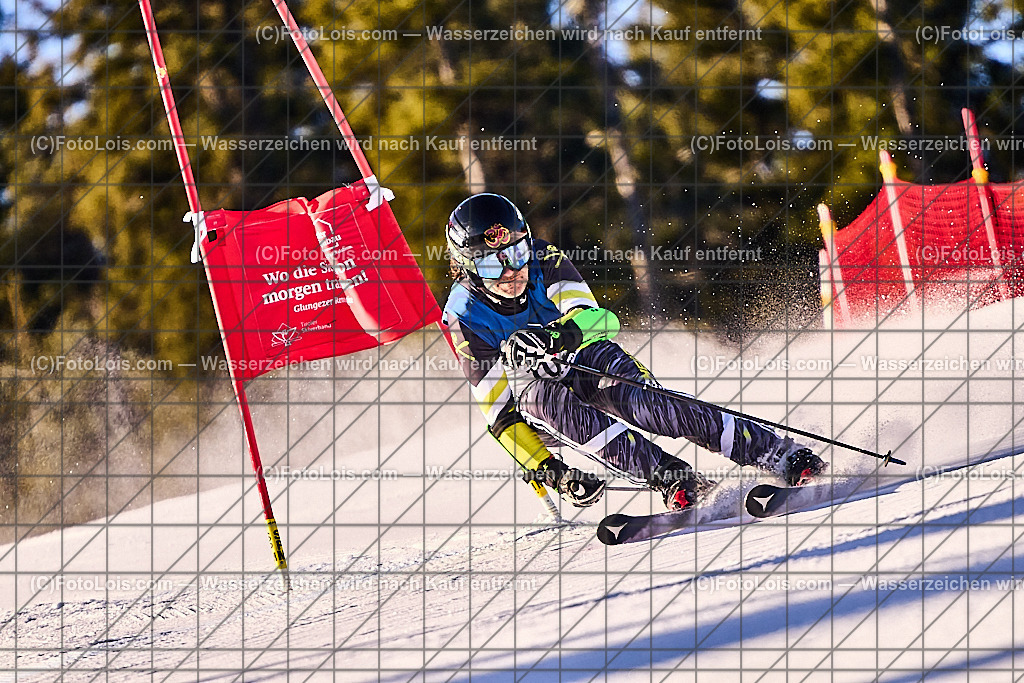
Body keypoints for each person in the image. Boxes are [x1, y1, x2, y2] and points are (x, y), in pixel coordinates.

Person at [441, 193, 827, 511]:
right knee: (545, 401)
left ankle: (778, 453)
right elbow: (500, 417)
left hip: (579, 354)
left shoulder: (545, 259)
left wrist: (556, 338)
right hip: (536, 398)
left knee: (643, 404)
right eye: (493, 263)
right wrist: (551, 472)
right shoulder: (464, 317)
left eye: (517, 253)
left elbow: (599, 319)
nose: (512, 271)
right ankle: (671, 477)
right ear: (467, 267)